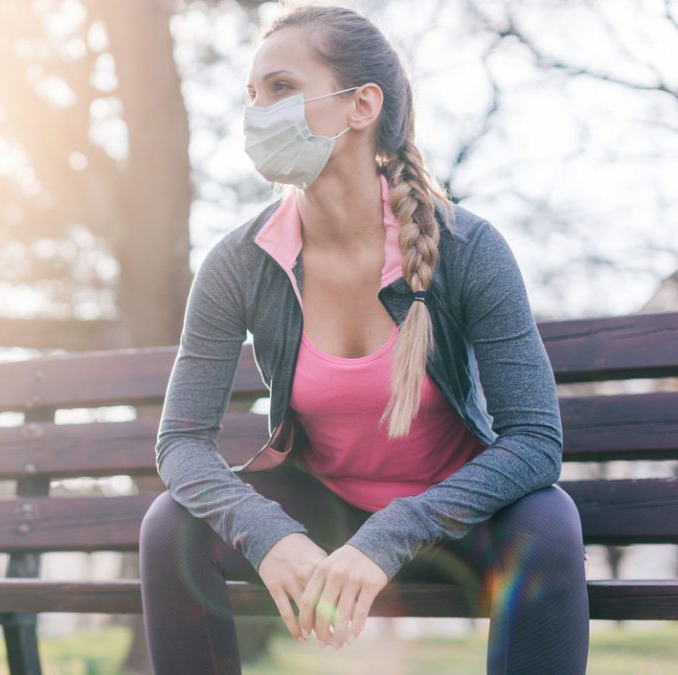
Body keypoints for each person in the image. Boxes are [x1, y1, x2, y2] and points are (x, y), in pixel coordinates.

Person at [138, 5, 589, 674]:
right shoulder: (240, 261)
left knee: (549, 524)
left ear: (361, 105)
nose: (257, 111)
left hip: (451, 513)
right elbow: (180, 442)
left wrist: (390, 535)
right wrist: (267, 535)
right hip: (322, 509)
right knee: (169, 526)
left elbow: (534, 439)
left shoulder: (469, 248)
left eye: (282, 87)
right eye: (253, 93)